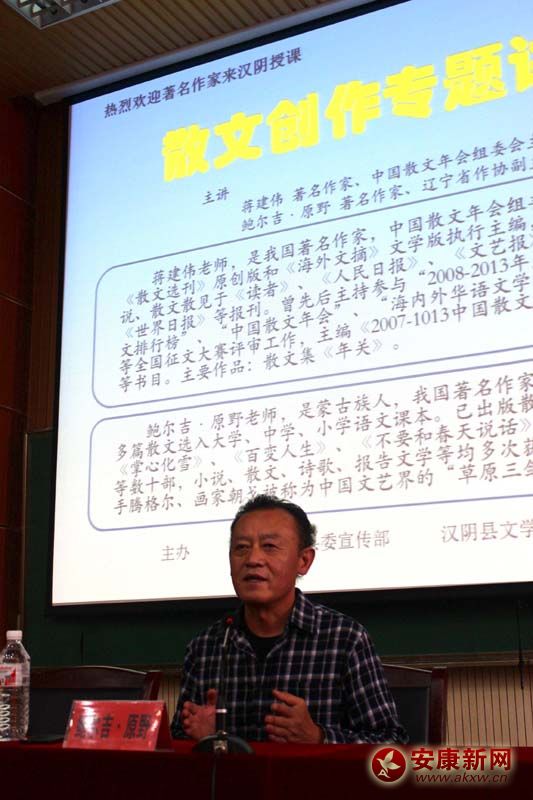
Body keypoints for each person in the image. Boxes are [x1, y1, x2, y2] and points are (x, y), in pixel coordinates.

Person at [171, 494, 407, 744]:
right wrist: (205, 740)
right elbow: (174, 743)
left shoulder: (345, 640)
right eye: (241, 548)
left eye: (269, 546)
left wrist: (318, 737)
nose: (252, 559)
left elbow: (391, 743)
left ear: (303, 561)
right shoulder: (206, 647)